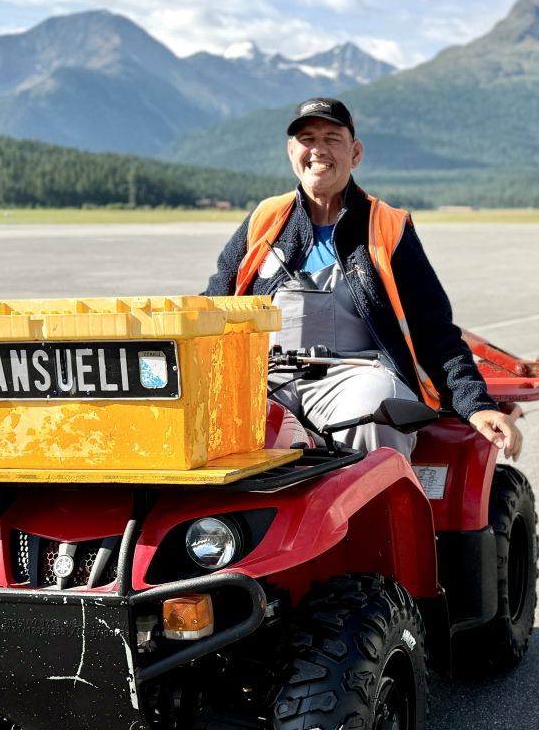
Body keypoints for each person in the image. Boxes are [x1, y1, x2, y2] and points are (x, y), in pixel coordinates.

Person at [205, 96, 522, 459]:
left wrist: (476, 405)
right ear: (292, 152)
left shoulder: (387, 226)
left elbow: (433, 330)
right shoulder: (265, 219)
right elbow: (214, 304)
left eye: (331, 138)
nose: (318, 150)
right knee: (214, 418)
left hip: (355, 375)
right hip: (268, 375)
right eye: (307, 139)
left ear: (355, 153)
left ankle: (377, 496)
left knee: (377, 409)